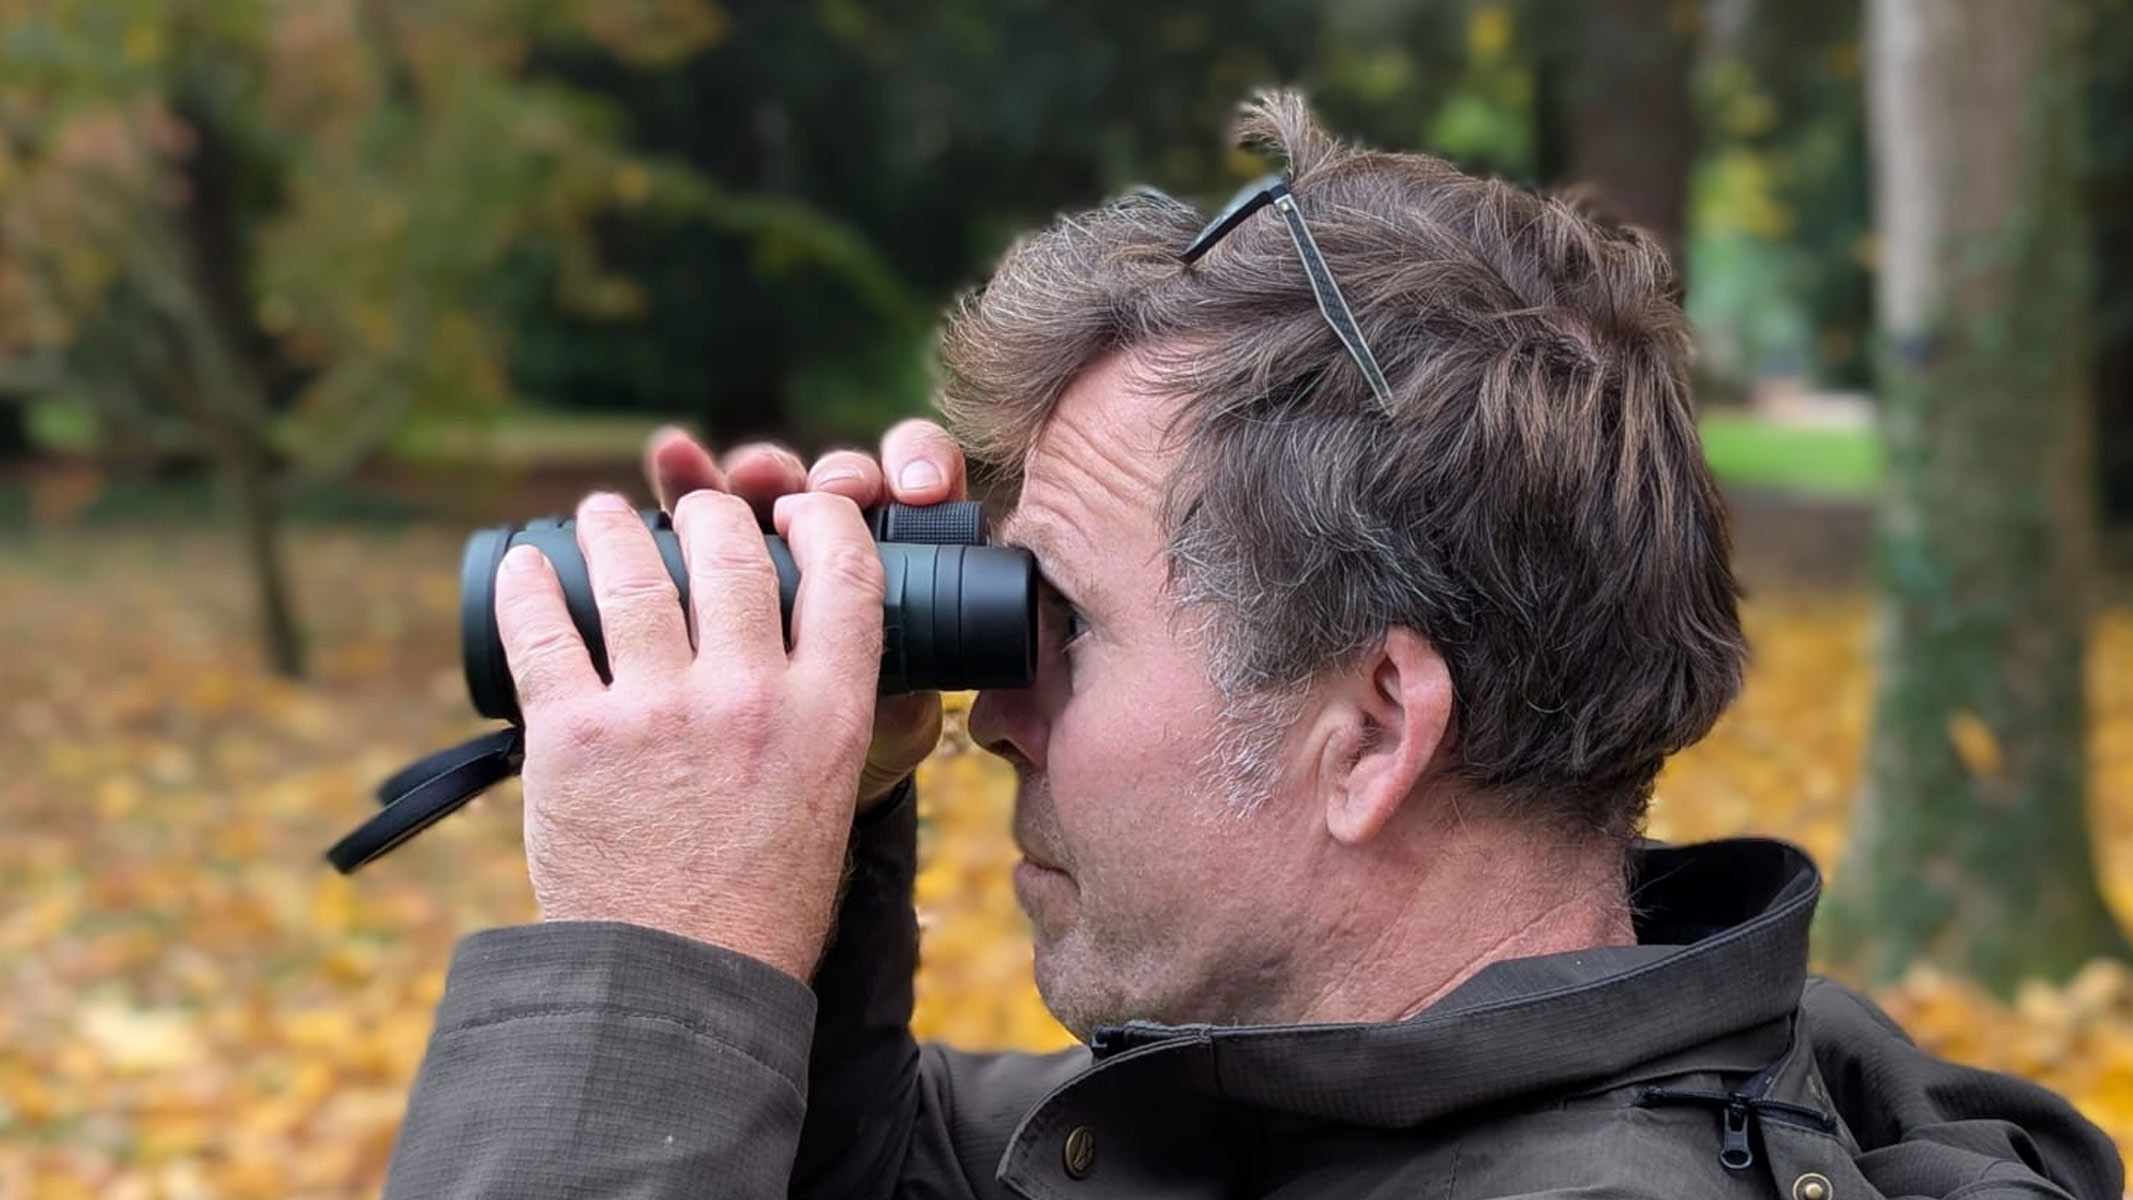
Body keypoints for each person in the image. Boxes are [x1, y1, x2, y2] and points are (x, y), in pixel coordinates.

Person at [378, 92, 2123, 1199]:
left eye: (1064, 625)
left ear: (1370, 727)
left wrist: (648, 969)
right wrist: (811, 823)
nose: (992, 717)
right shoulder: (1322, 1099)